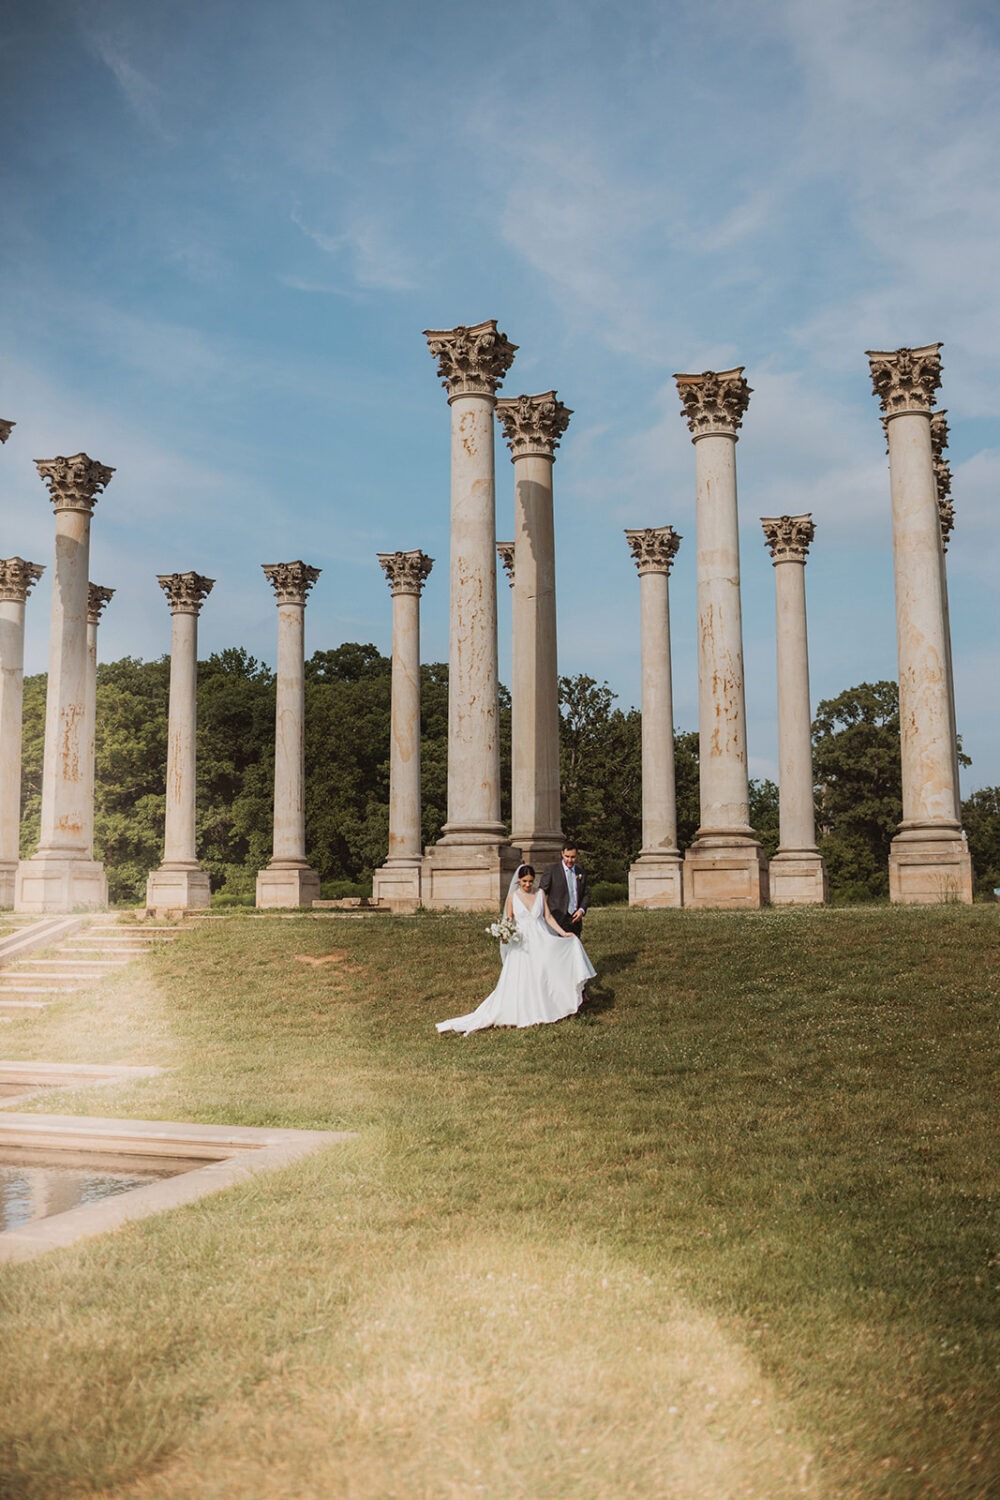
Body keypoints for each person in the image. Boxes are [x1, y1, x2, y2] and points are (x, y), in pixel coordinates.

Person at [436, 864, 595, 1035]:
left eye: (531, 881)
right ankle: (523, 1011)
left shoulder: (539, 894)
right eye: (524, 881)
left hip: (540, 938)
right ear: (519, 880)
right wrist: (504, 933)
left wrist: (563, 933)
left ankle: (546, 1007)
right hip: (522, 942)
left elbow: (547, 917)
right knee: (523, 975)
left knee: (543, 971)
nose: (528, 885)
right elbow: (509, 919)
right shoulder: (513, 897)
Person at [539, 842, 590, 938]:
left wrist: (581, 910)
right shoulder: (552, 870)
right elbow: (541, 892)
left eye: (573, 857)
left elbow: (586, 894)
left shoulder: (581, 872)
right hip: (556, 919)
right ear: (562, 853)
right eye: (567, 856)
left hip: (575, 919)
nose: (570, 860)